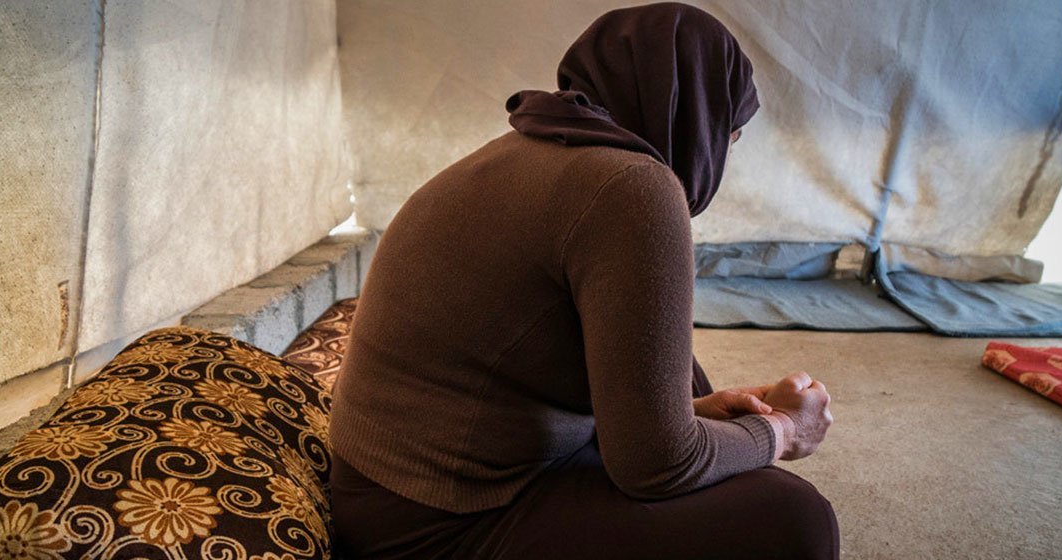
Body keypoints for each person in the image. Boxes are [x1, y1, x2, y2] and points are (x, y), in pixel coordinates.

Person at [328, 3, 838, 558]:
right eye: (729, 135)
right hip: (438, 522)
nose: (723, 153)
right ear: (694, 113)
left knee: (688, 387)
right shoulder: (633, 187)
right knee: (793, 519)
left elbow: (527, 355)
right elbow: (660, 467)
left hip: (386, 489)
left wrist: (695, 412)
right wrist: (784, 431)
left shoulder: (526, 151)